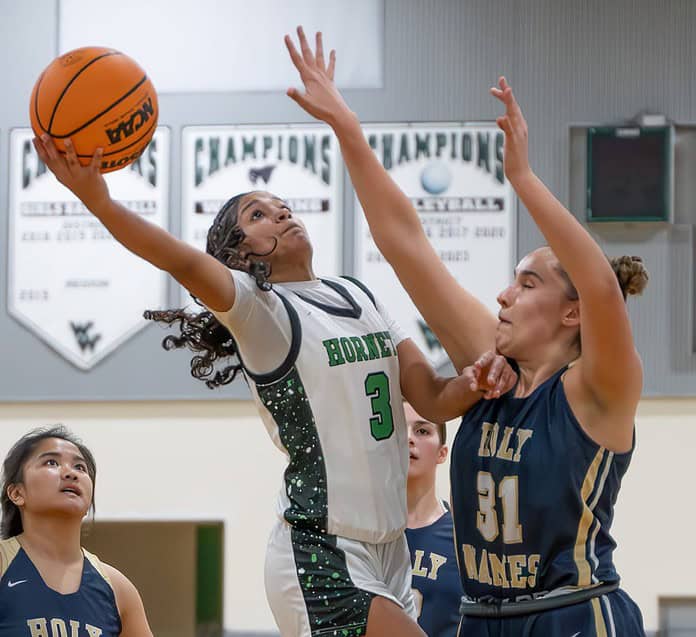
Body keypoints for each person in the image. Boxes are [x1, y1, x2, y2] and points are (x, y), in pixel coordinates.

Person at [32, 39, 516, 636]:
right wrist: (99, 202)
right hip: (320, 549)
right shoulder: (263, 313)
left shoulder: (359, 296)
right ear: (238, 255)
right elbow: (181, 260)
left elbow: (434, 397)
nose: (280, 214)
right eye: (257, 215)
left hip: (392, 548)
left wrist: (473, 382)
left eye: (282, 205)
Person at [284, 28, 647, 635]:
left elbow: (603, 286)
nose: (504, 294)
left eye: (528, 284)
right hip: (480, 619)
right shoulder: (489, 369)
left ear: (572, 313)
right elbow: (404, 243)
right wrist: (347, 126)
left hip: (572, 613)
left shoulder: (599, 390)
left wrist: (523, 178)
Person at [0, 425, 152, 636]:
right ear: (17, 493)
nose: (71, 473)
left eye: (80, 467)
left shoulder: (118, 588)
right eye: (51, 462)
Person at [404, 403, 462, 637]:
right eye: (400, 429)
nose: (408, 438)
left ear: (442, 453)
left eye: (422, 431)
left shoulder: (461, 536)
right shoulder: (366, 533)